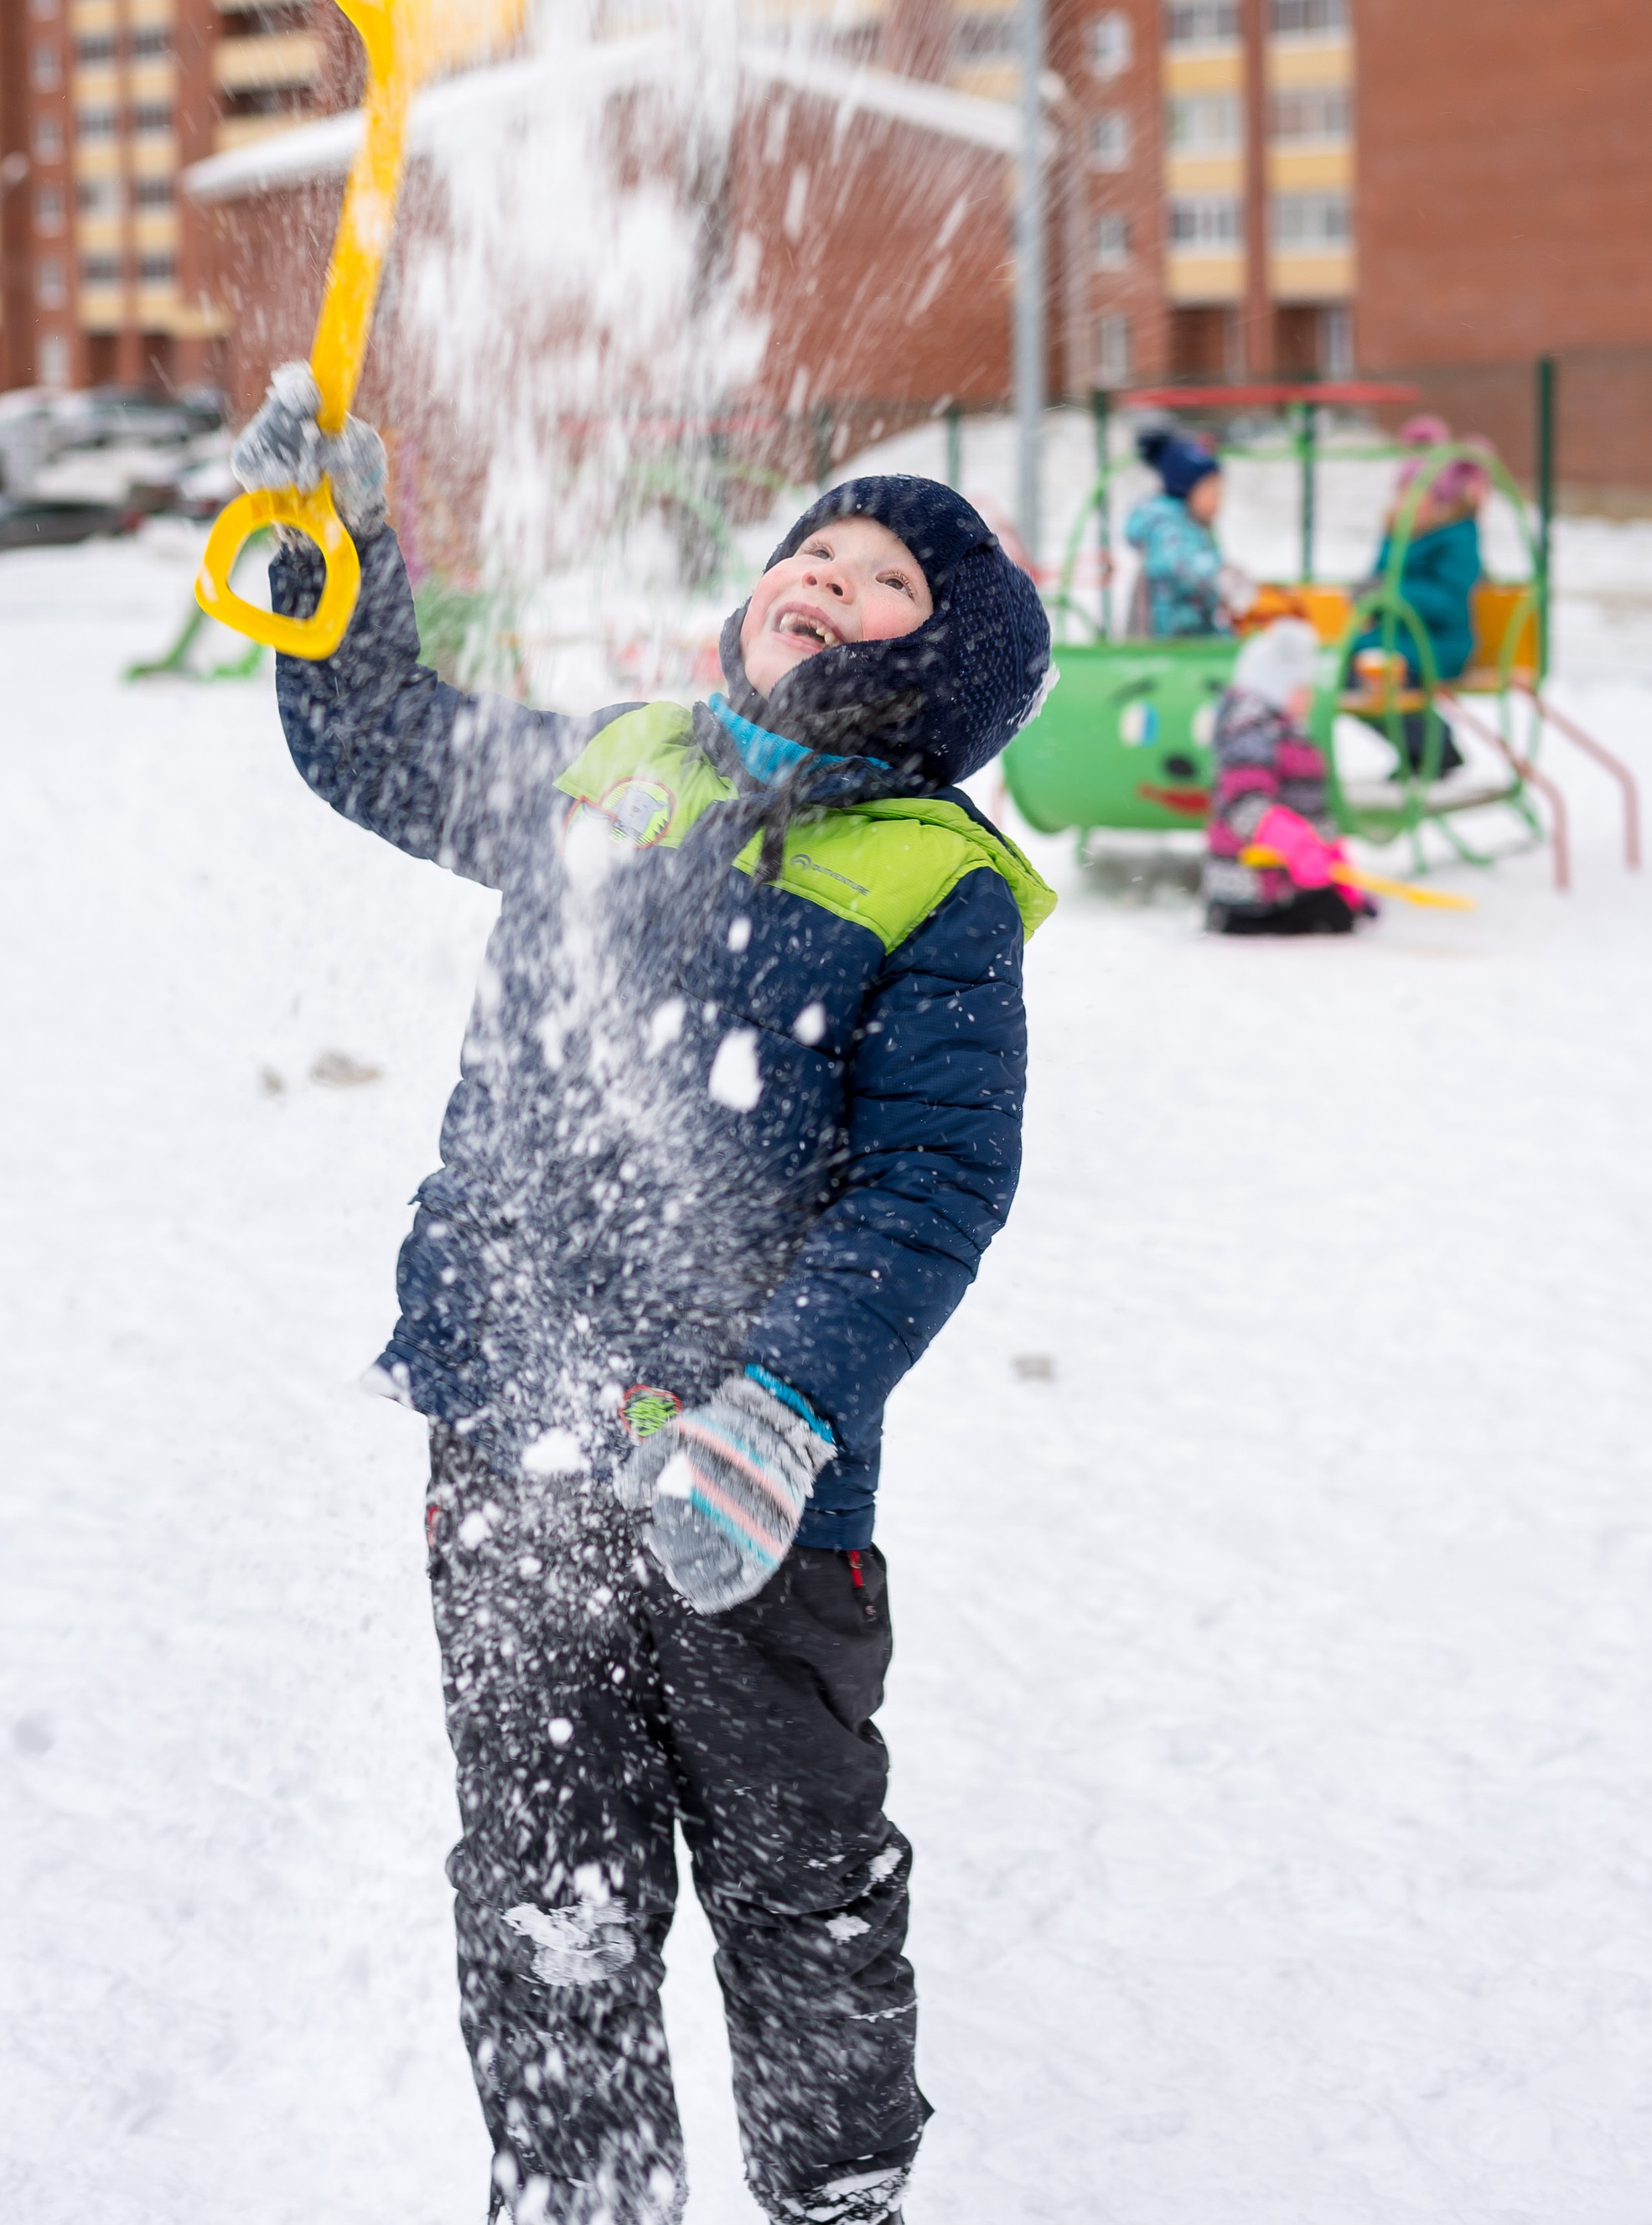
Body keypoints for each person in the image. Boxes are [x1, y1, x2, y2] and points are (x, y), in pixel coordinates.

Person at [228, 363, 1055, 2225]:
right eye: (814, 550)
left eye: (883, 581)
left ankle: (834, 2195)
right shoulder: (618, 758)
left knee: (797, 1883)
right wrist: (336, 555)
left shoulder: (936, 886)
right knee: (545, 1873)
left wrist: (779, 1406)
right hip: (512, 1429)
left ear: (952, 666)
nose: (827, 579)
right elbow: (382, 745)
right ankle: (578, 2194)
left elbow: (933, 1188)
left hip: (750, 1494)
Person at [1202, 617, 1374, 936]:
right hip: (1249, 889)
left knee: (1341, 916)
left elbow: (1307, 806)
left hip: (1288, 884)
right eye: (1301, 689)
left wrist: (1336, 868)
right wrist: (1297, 845)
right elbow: (1245, 805)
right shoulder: (1251, 733)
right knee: (1331, 921)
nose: (1308, 697)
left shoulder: (1289, 733)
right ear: (1275, 688)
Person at [1349, 417, 1489, 778]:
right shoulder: (1395, 534)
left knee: (1373, 671)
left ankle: (1433, 746)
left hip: (1442, 643)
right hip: (1396, 639)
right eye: (1401, 492)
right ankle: (1419, 747)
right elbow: (1380, 578)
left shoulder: (1456, 537)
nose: (1406, 502)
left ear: (1439, 499)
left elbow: (1448, 601)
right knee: (1348, 667)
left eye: (1416, 493)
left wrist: (1391, 593)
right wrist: (1368, 593)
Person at [1122, 428, 1231, 640]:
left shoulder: (1192, 527)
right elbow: (1179, 566)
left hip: (1192, 635)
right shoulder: (1167, 529)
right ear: (1186, 489)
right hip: (1170, 642)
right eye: (1212, 491)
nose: (1219, 500)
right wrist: (1219, 578)